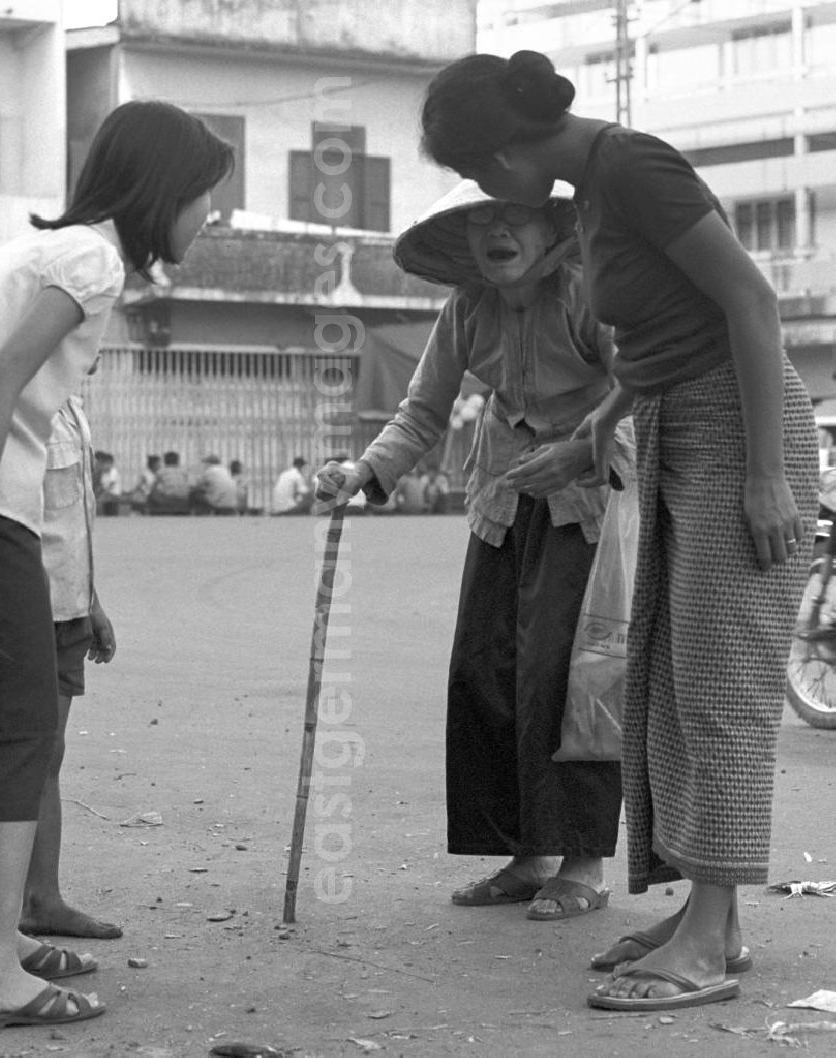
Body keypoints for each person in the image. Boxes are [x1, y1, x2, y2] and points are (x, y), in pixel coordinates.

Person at [418, 49, 816, 1010]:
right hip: (677, 420)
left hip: (740, 428)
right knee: (668, 683)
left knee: (718, 683)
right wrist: (596, 431)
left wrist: (765, 475)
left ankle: (712, 940)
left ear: (511, 150)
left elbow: (751, 304)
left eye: (478, 172)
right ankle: (704, 916)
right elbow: (658, 334)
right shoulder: (592, 188)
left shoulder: (633, 166)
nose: (485, 194)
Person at [0, 99, 233, 1033]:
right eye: (203, 199)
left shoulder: (30, 250)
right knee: (20, 723)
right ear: (164, 192)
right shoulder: (94, 260)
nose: (208, 218)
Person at [316, 177, 632, 924]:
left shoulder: (585, 296)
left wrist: (580, 449)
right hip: (500, 496)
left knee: (565, 677)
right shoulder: (467, 306)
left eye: (511, 217)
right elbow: (423, 409)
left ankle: (582, 861)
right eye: (481, 219)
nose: (495, 231)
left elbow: (638, 384)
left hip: (586, 502)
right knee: (485, 670)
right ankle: (525, 856)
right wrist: (364, 471)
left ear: (552, 232)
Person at [0, 393, 121, 950]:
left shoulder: (73, 407)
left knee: (46, 756)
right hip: (18, 608)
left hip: (67, 607)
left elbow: (66, 523)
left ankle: (42, 898)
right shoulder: (7, 404)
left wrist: (92, 600)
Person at [148, 450, 192, 515]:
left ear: (165, 461)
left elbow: (154, 486)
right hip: (184, 499)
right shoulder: (184, 471)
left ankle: (152, 512)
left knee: (153, 491)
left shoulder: (161, 471)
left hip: (168, 499)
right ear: (177, 461)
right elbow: (189, 484)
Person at [94, 451, 121, 516]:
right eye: (104, 464)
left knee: (112, 513)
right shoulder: (103, 474)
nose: (105, 466)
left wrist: (102, 494)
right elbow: (101, 485)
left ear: (111, 464)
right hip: (106, 495)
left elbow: (111, 484)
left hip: (113, 495)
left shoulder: (113, 472)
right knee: (106, 512)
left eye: (107, 464)